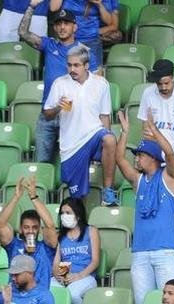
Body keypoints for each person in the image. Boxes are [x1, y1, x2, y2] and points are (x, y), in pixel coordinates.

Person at [115, 110, 174, 304]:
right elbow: (119, 159)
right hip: (140, 253)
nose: (136, 159)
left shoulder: (169, 177)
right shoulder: (138, 180)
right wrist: (124, 132)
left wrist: (154, 131)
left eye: (140, 155)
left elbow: (170, 154)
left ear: (152, 158)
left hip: (165, 251)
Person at [43, 45, 117, 205]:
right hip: (72, 145)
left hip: (94, 134)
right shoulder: (59, 83)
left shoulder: (101, 84)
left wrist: (104, 147)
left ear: (86, 65)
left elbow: (104, 116)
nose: (72, 69)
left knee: (110, 139)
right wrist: (58, 107)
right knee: (77, 197)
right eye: (69, 65)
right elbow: (47, 115)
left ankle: (108, 191)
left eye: (76, 65)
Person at [19, 3, 78, 163]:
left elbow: (94, 84)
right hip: (48, 115)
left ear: (75, 27)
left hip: (72, 114)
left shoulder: (83, 51)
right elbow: (23, 33)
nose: (62, 27)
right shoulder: (49, 44)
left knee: (70, 163)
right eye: (58, 23)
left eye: (66, 23)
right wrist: (31, 6)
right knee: (41, 164)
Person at [137, 60, 174, 206]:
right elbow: (146, 129)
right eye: (159, 84)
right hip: (155, 159)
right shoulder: (148, 94)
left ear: (173, 77)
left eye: (166, 83)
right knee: (155, 204)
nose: (163, 87)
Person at [0, 177, 59, 287]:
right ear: (20, 228)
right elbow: (1, 224)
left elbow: (50, 225)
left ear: (40, 229)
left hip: (38, 299)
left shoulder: (47, 248)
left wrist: (33, 197)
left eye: (34, 227)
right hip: (15, 296)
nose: (30, 231)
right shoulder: (13, 246)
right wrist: (16, 197)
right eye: (26, 227)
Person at [51, 196, 101, 304]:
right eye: (62, 213)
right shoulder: (60, 236)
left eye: (68, 212)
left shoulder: (91, 231)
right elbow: (56, 263)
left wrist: (79, 275)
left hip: (86, 276)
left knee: (72, 295)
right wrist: (59, 276)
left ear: (78, 214)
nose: (64, 215)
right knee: (49, 291)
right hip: (65, 275)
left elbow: (95, 261)